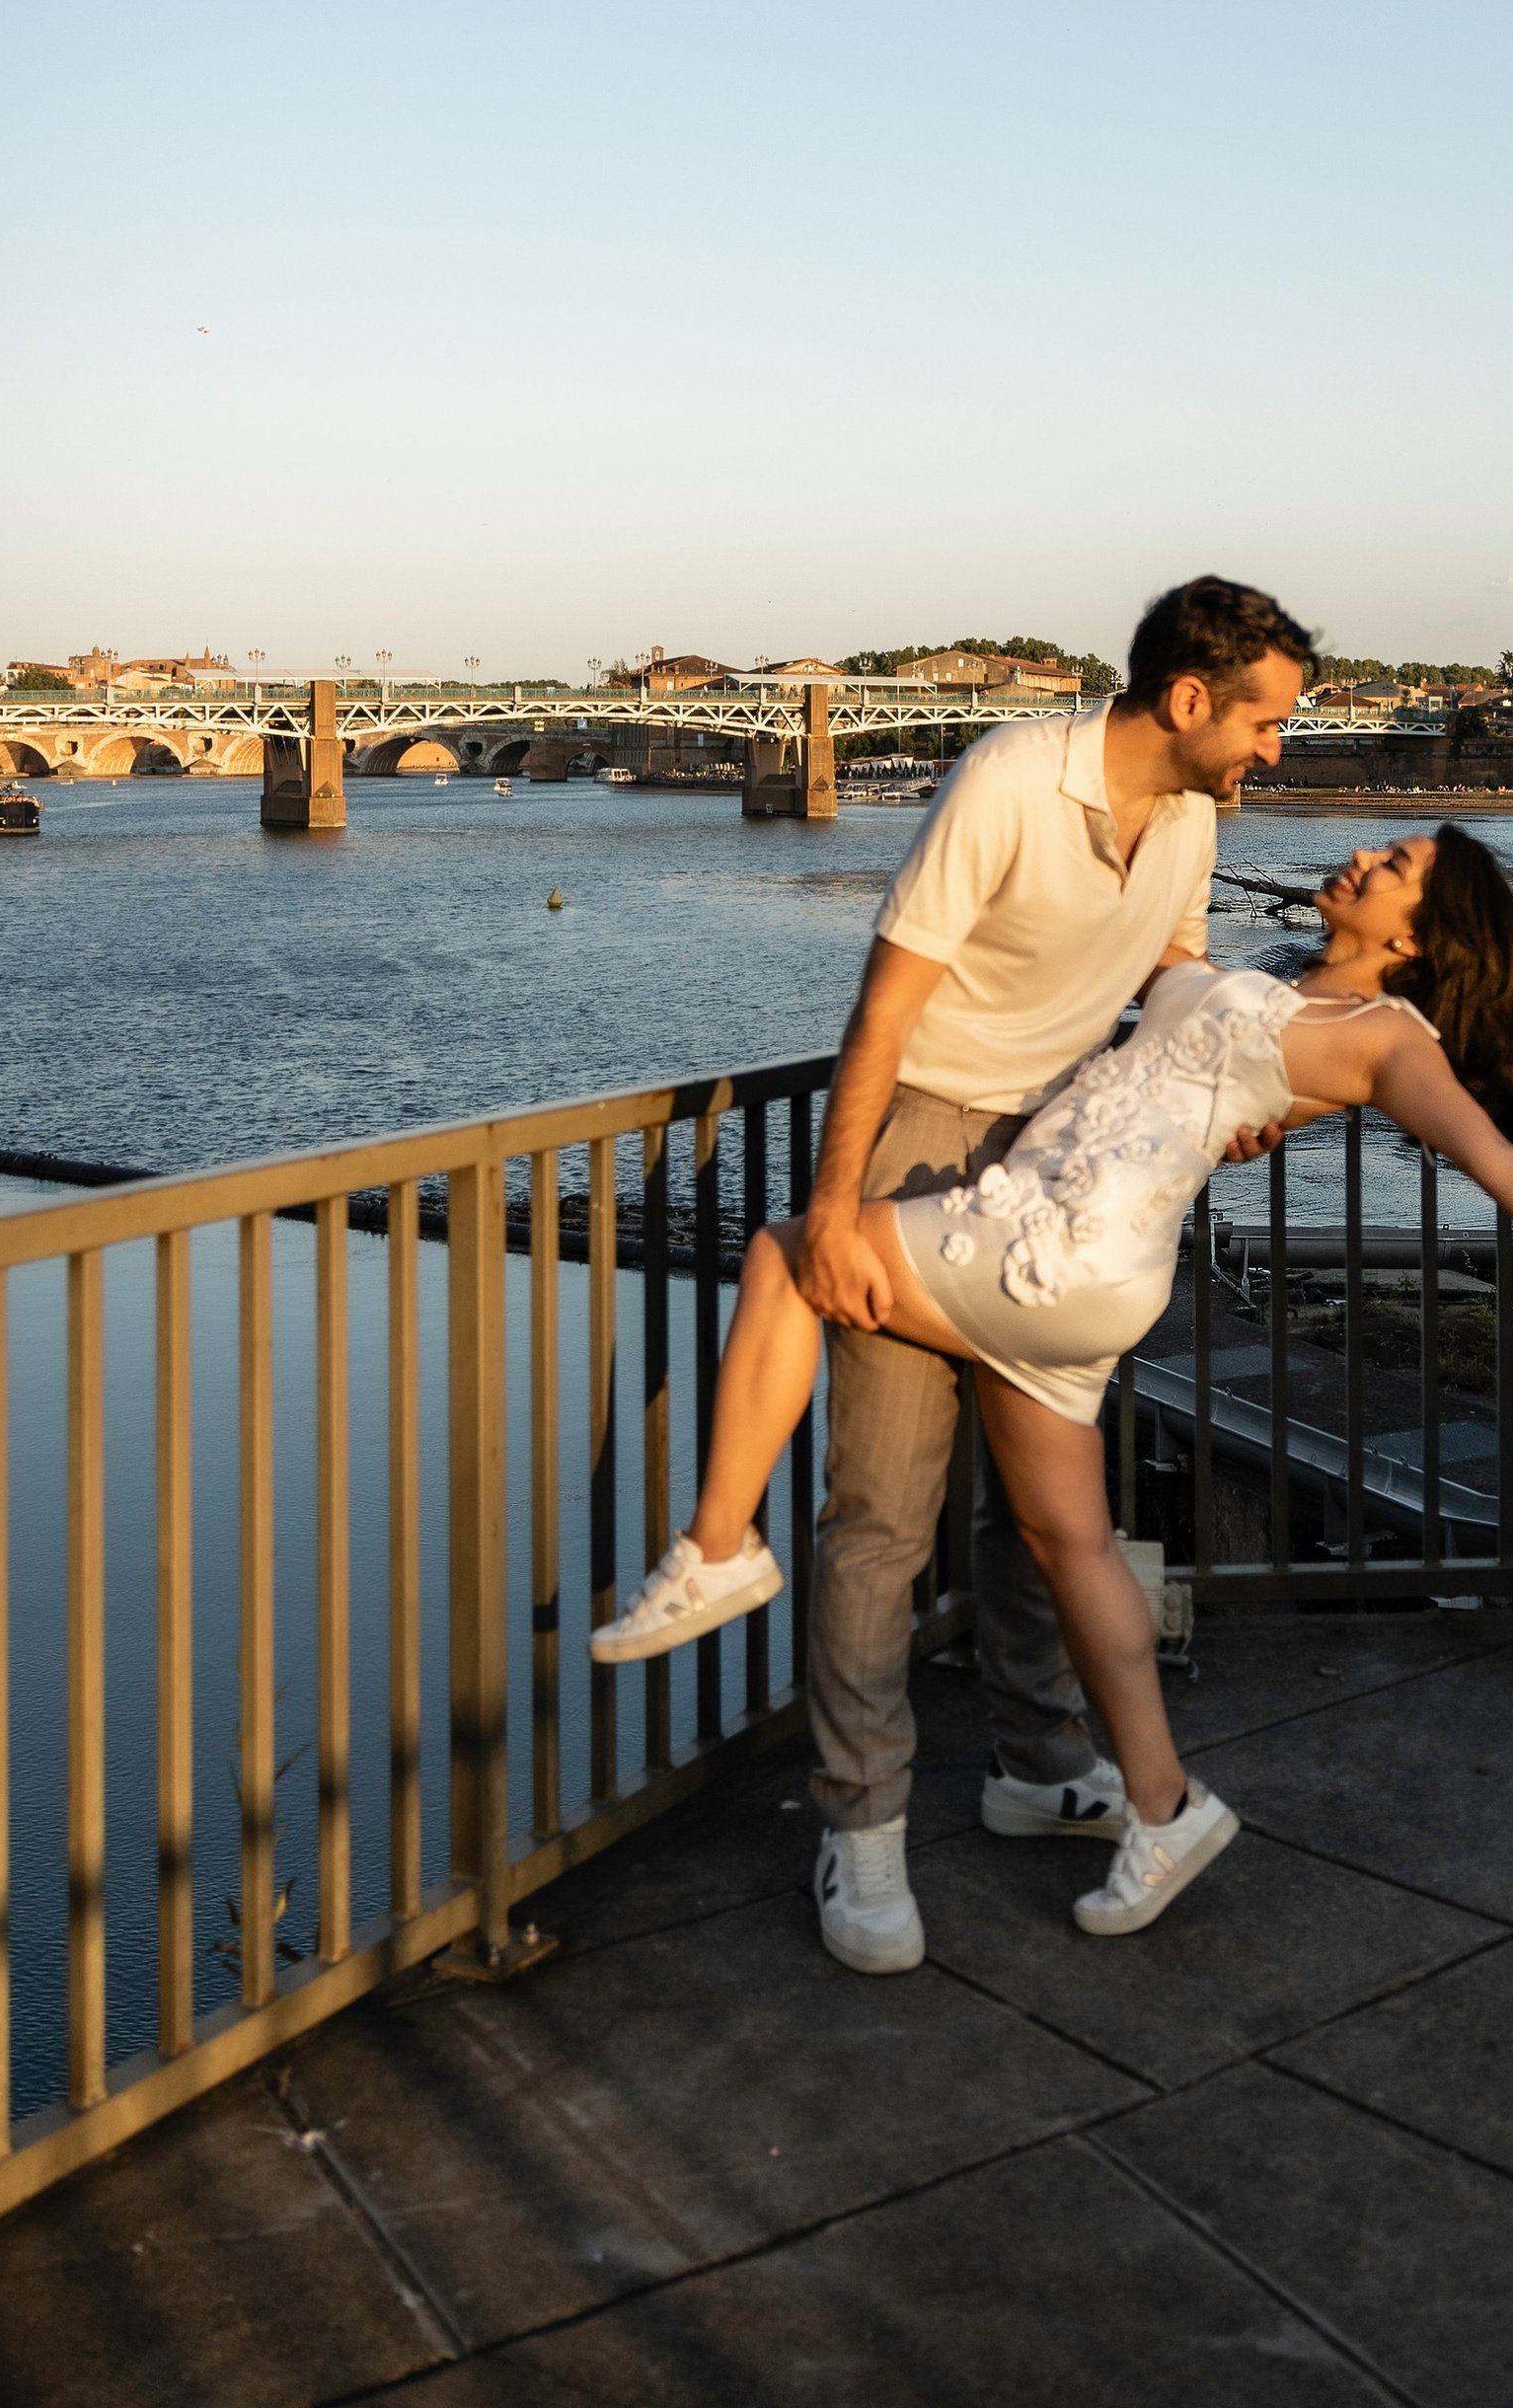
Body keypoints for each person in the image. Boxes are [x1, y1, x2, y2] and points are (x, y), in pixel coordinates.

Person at [593, 811, 1513, 1946]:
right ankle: (1162, 1805)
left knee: (789, 1255)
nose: (1361, 860)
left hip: (1052, 1242)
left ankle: (719, 1545)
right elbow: (1146, 957)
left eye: (1392, 869)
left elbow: (1491, 1156)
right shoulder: (1269, 988)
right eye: (1381, 850)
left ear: (1416, 941)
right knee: (1068, 1543)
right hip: (1092, 1274)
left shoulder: (1390, 1040)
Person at [588, 577, 1318, 1977]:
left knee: (1040, 1512)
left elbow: (1172, 981)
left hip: (1063, 1159)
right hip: (925, 1145)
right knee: (883, 1511)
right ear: (1187, 702)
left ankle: (1038, 1764)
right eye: (1267, 721)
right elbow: (889, 999)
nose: (1276, 748)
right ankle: (860, 1833)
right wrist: (840, 1209)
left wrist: (1235, 1087)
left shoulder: (1194, 817)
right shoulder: (1006, 780)